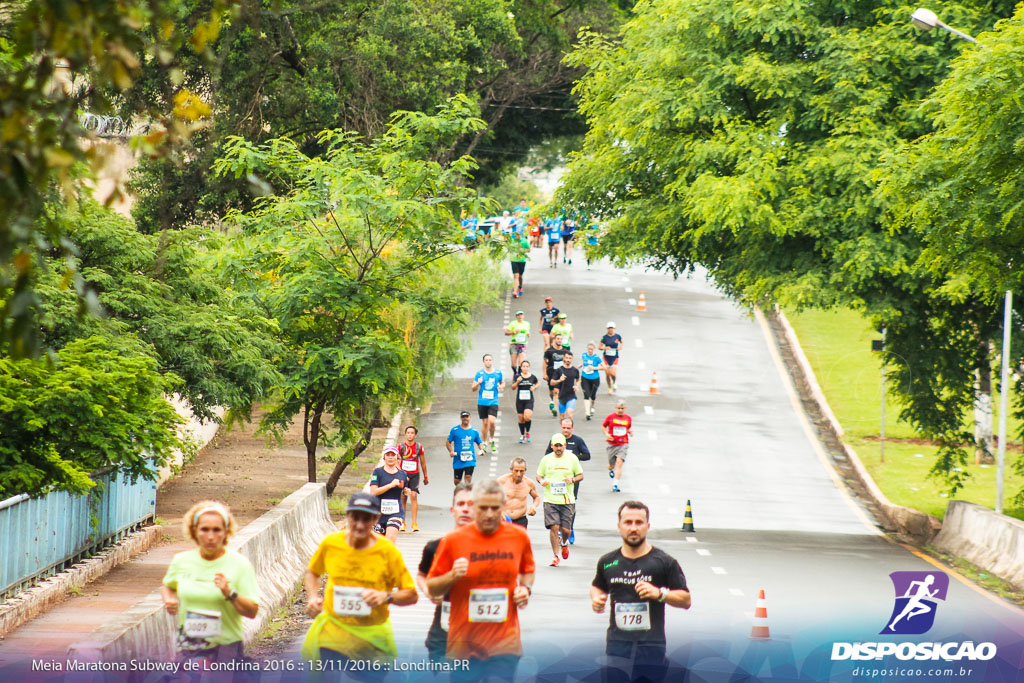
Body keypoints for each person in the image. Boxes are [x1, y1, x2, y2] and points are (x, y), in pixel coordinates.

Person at [427, 480, 535, 682]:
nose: (489, 514)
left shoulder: (519, 537)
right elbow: (432, 588)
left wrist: (525, 589)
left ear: (503, 507)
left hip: (505, 643)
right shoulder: (454, 540)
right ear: (475, 507)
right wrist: (452, 575)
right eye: (483, 508)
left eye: (495, 508)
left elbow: (528, 570)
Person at [302, 493, 418, 676]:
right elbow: (312, 572)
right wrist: (313, 597)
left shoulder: (387, 552)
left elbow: (411, 594)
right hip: (334, 631)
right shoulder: (332, 544)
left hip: (371, 636)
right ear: (348, 516)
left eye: (366, 519)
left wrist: (386, 596)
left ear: (376, 519)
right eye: (355, 517)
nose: (360, 524)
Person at [591, 500, 691, 683]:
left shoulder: (664, 562)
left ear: (648, 526)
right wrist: (597, 598)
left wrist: (660, 594)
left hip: (651, 646)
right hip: (617, 646)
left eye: (639, 522)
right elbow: (598, 586)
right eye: (628, 523)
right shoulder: (608, 562)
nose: (633, 528)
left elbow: (685, 599)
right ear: (619, 526)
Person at [161, 501, 259, 666]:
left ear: (226, 533)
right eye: (204, 529)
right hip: (188, 649)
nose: (211, 537)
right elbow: (168, 586)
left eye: (217, 530)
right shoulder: (181, 561)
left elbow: (252, 611)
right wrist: (169, 600)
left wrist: (230, 593)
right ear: (194, 531)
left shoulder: (239, 565)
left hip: (226, 651)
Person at [416, 482, 475, 662]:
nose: (465, 509)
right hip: (444, 633)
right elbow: (421, 575)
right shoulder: (435, 547)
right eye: (461, 504)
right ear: (452, 510)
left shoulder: (494, 550)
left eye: (472, 505)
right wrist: (429, 592)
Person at [535, 434, 584, 566]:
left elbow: (581, 475)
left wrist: (572, 479)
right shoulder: (546, 459)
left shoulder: (572, 458)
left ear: (564, 445)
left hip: (567, 499)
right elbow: (538, 475)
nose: (558, 448)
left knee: (566, 530)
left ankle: (564, 542)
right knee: (554, 527)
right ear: (552, 446)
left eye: (560, 445)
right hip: (550, 499)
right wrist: (542, 481)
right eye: (555, 446)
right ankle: (555, 556)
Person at [544, 418, 591, 545]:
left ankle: (569, 527)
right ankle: (559, 529)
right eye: (564, 428)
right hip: (556, 479)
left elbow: (587, 455)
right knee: (555, 503)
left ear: (572, 429)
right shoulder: (555, 440)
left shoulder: (578, 441)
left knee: (570, 503)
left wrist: (574, 456)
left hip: (571, 479)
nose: (565, 430)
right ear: (561, 427)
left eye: (568, 428)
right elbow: (546, 455)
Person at [369, 446, 408, 543]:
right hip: (379, 512)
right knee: (378, 543)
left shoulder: (402, 474)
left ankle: (390, 558)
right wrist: (390, 485)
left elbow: (404, 488)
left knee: (390, 538)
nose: (390, 457)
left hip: (396, 511)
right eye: (388, 455)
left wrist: (406, 491)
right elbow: (373, 492)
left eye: (393, 455)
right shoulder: (378, 472)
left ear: (397, 457)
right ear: (384, 458)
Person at [471, 353, 504, 451]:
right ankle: (484, 442)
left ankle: (492, 439)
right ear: (483, 362)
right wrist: (478, 382)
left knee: (492, 421)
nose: (488, 362)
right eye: (486, 360)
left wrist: (501, 386)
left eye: (490, 360)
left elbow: (502, 382)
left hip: (493, 401)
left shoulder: (497, 373)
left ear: (492, 361)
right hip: (482, 402)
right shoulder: (479, 374)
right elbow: (473, 388)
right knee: (485, 423)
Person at [399, 426, 428, 532]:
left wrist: (426, 476)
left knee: (414, 495)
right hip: (403, 474)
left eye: (412, 433)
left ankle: (414, 523)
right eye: (408, 433)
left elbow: (423, 462)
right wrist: (399, 475)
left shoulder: (419, 447)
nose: (410, 435)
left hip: (415, 474)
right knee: (403, 497)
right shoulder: (401, 447)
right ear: (405, 434)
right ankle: (402, 522)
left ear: (415, 435)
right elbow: (397, 461)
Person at [497, 457, 540, 528]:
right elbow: (491, 497)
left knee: (519, 539)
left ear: (525, 470)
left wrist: (533, 506)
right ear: (511, 470)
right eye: (516, 471)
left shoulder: (529, 483)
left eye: (521, 471)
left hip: (521, 520)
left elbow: (536, 497)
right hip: (503, 519)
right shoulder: (502, 481)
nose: (519, 474)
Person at [447, 410, 485, 485]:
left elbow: (479, 442)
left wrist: (482, 449)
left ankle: (467, 493)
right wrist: (451, 451)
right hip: (458, 459)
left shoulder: (474, 431)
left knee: (468, 477)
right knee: (457, 482)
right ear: (461, 418)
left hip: (470, 459)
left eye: (466, 417)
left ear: (470, 417)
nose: (465, 418)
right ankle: (459, 493)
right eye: (463, 417)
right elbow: (448, 442)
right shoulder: (455, 430)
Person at [602, 401, 633, 493]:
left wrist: (631, 432)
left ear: (625, 409)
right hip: (612, 444)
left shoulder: (628, 418)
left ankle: (615, 484)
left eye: (622, 408)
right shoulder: (610, 417)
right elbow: (603, 426)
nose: (620, 410)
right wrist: (607, 434)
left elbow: (628, 427)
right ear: (616, 408)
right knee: (612, 464)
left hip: (623, 444)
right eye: (619, 408)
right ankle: (611, 467)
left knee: (619, 462)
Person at [510, 359, 539, 443]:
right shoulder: (517, 376)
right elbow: (513, 387)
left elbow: (537, 383)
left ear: (529, 367)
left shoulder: (532, 377)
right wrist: (517, 382)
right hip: (520, 400)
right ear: (521, 368)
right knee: (521, 419)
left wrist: (534, 387)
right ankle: (522, 435)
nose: (525, 368)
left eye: (527, 366)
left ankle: (528, 433)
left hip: (529, 400)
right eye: (523, 366)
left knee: (527, 416)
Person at [550, 350, 581, 421]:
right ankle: (563, 431)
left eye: (570, 358)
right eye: (566, 358)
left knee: (569, 415)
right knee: (562, 418)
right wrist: (559, 380)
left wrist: (577, 386)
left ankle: (570, 430)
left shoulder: (575, 370)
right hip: (561, 397)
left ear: (572, 359)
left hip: (571, 396)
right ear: (563, 358)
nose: (568, 360)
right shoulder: (559, 370)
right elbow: (552, 382)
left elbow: (578, 379)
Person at [543, 334, 569, 417]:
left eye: (561, 339)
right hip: (551, 373)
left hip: (560, 374)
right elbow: (544, 362)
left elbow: (567, 362)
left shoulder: (565, 351)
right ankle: (552, 401)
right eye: (558, 339)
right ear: (555, 339)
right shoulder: (549, 351)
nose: (559, 340)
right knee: (551, 391)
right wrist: (544, 373)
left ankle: (554, 407)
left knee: (556, 391)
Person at [580, 341, 605, 419]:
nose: (590, 351)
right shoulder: (584, 355)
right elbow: (584, 362)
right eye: (589, 349)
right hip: (585, 378)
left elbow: (604, 367)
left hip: (594, 379)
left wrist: (594, 368)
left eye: (591, 349)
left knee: (593, 395)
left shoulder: (597, 357)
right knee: (586, 395)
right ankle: (587, 413)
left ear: (594, 349)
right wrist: (580, 365)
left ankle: (592, 406)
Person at [504, 310, 530, 376]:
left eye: (521, 315)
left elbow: (528, 333)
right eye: (518, 315)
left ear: (523, 316)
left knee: (521, 362)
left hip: (523, 344)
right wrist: (514, 332)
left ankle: (518, 375)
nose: (520, 316)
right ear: (516, 316)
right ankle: (515, 372)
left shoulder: (527, 323)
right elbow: (506, 333)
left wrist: (528, 334)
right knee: (513, 363)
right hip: (514, 344)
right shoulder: (513, 323)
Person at [600, 322, 624, 394]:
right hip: (606, 358)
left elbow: (622, 342)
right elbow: (599, 347)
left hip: (614, 357)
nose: (611, 330)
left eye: (612, 328)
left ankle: (614, 383)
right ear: (607, 329)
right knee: (607, 374)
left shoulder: (617, 336)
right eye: (609, 328)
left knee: (613, 373)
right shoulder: (604, 337)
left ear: (614, 329)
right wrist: (605, 348)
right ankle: (609, 387)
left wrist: (620, 347)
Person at [509, 232, 529, 299]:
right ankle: (515, 291)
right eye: (515, 235)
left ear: (520, 235)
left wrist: (523, 250)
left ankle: (520, 286)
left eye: (517, 235)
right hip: (514, 260)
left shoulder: (524, 241)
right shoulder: (512, 241)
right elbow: (509, 249)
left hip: (522, 260)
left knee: (520, 276)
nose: (516, 236)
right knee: (516, 275)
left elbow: (528, 249)